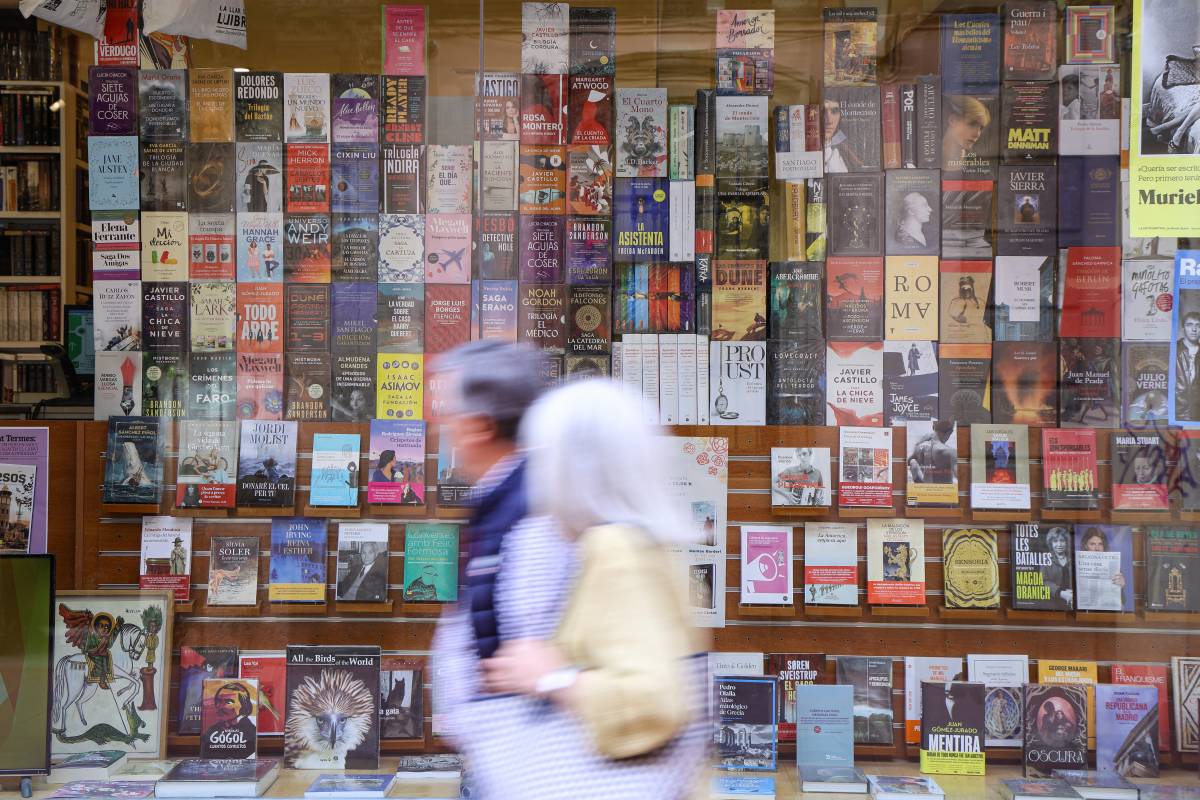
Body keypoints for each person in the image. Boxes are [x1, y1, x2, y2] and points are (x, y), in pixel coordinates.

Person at [473, 379, 710, 798]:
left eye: (542, 458)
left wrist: (549, 677)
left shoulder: (616, 548)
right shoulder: (641, 542)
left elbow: (655, 700)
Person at [428, 340, 562, 775]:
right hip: (509, 761)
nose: (443, 429)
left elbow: (528, 652)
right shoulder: (499, 501)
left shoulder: (533, 515)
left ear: (479, 426)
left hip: (533, 766)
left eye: (450, 416)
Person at [942, 95, 991, 170]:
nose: (977, 134)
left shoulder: (979, 166)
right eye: (972, 124)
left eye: (981, 128)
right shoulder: (931, 155)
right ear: (952, 120)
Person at [1041, 527, 1074, 610]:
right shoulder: (1046, 559)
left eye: (1062, 541)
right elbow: (1043, 581)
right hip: (1053, 603)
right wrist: (1061, 593)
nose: (1059, 544)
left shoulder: (1072, 557)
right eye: (1055, 541)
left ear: (1066, 542)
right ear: (1051, 543)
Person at [1175, 311, 1200, 419]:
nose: (1194, 329)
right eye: (1189, 325)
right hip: (1176, 412)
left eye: (1198, 325)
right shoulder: (1174, 349)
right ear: (1183, 328)